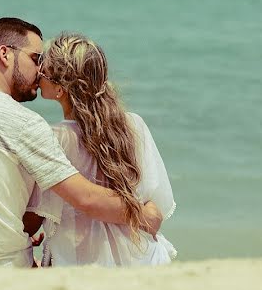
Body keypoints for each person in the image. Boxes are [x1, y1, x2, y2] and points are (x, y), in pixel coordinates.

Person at [0, 18, 162, 269]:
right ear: (4, 54)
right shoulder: (25, 123)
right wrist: (144, 214)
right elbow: (85, 197)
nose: (40, 71)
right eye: (35, 58)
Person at [27, 32, 176, 266]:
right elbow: (153, 203)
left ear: (60, 89)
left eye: (43, 71)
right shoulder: (133, 124)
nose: (38, 74)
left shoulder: (56, 138)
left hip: (82, 261)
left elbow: (33, 218)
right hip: (140, 255)